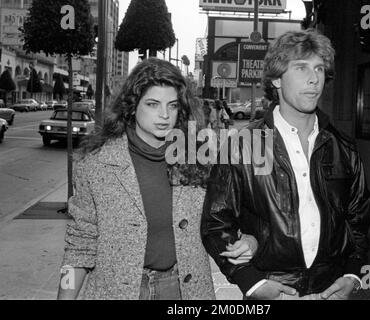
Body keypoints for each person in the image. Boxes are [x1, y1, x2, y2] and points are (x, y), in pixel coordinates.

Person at [57, 58, 255, 300]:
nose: (164, 115)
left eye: (172, 106)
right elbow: (78, 245)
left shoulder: (200, 160)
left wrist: (250, 240)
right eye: (152, 104)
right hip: (115, 290)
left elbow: (230, 218)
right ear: (132, 106)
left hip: (183, 289)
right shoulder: (97, 165)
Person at [201, 29, 370, 300]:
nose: (314, 78)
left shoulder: (343, 147)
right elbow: (216, 224)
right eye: (301, 67)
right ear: (277, 79)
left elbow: (358, 221)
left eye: (319, 68)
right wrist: (252, 283)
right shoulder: (242, 146)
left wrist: (353, 274)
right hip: (271, 288)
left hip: (331, 289)